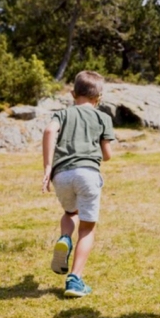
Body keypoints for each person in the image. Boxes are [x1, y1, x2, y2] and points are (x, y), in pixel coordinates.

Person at [42, 70, 115, 298]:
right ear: (99, 97)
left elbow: (48, 131)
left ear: (73, 93)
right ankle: (75, 279)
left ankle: (65, 238)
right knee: (87, 228)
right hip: (88, 174)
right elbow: (107, 155)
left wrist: (47, 167)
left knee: (69, 212)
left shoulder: (62, 114)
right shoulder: (103, 117)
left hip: (61, 174)